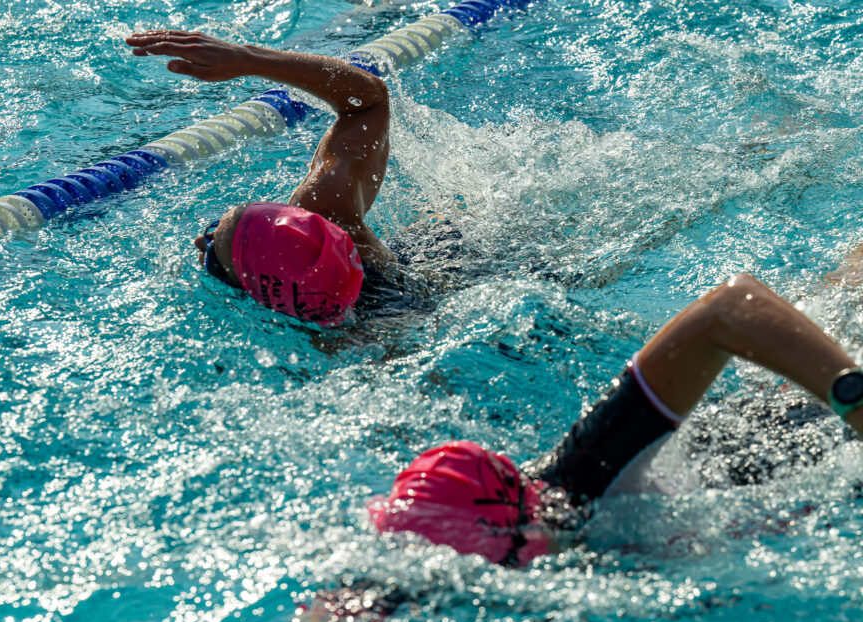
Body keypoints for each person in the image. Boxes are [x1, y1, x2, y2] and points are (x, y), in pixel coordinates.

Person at [368, 273, 863, 564]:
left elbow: (729, 306)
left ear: (527, 541)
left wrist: (853, 400)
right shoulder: (526, 545)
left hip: (808, 432)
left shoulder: (589, 468)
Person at [126, 30, 397, 325]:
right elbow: (367, 101)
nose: (198, 242)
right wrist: (248, 60)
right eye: (214, 233)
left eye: (215, 250)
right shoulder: (331, 215)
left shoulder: (336, 356)